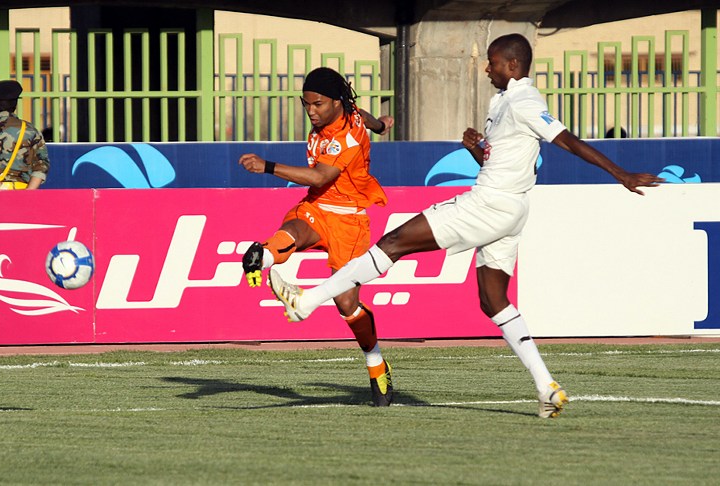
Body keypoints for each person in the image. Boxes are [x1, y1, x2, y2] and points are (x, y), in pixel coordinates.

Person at [268, 34, 664, 418]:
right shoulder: (504, 102)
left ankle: (307, 301)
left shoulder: (525, 100)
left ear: (512, 64)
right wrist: (478, 150)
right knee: (493, 300)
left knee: (392, 244)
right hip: (511, 210)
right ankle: (546, 386)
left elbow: (568, 141)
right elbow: (505, 161)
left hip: (488, 204)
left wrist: (621, 174)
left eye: (491, 62)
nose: (486, 69)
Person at [239, 67, 395, 406]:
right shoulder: (345, 111)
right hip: (318, 207)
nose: (311, 111)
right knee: (292, 231)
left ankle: (376, 364)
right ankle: (261, 257)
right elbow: (361, 113)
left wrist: (267, 167)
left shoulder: (345, 139)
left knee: (347, 306)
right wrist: (381, 125)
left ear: (336, 104)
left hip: (349, 220)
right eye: (306, 104)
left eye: (318, 104)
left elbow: (318, 175)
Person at [0, 80, 50, 190]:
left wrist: (1, 188)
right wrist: (29, 193)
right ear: (15, 105)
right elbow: (42, 163)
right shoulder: (31, 130)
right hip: (24, 192)